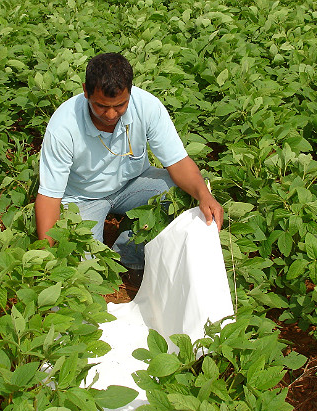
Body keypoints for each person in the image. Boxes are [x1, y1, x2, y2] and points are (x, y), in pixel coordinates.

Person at [35, 52, 223, 273]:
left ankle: (128, 251)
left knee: (180, 194)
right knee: (86, 269)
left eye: (120, 105)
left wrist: (204, 195)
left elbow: (178, 162)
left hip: (131, 185)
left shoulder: (147, 107)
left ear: (130, 93)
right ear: (86, 91)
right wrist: (47, 260)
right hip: (83, 199)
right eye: (101, 106)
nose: (111, 114)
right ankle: (98, 256)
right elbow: (49, 196)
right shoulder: (63, 126)